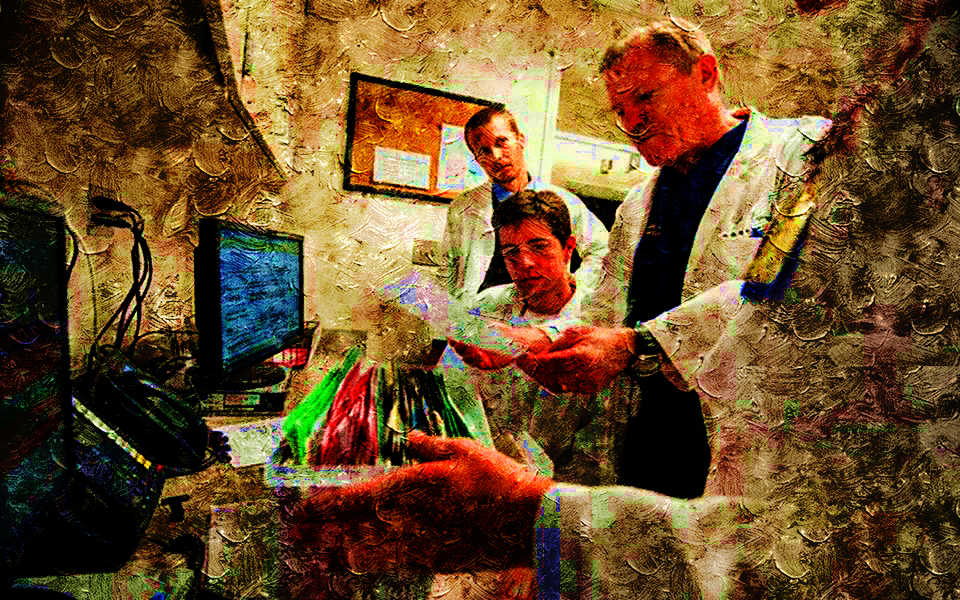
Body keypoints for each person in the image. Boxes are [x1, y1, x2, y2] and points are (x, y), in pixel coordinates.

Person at [448, 189, 625, 486]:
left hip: (567, 490)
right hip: (487, 475)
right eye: (511, 252)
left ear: (568, 248)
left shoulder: (599, 318)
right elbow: (457, 396)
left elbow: (601, 444)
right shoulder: (487, 307)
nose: (525, 263)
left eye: (539, 247)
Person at [440, 106, 609, 308]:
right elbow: (447, 269)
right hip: (480, 315)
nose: (496, 156)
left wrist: (577, 287)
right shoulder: (463, 207)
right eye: (484, 151)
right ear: (477, 160)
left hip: (542, 314)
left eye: (501, 142)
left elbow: (603, 251)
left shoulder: (565, 202)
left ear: (520, 140)